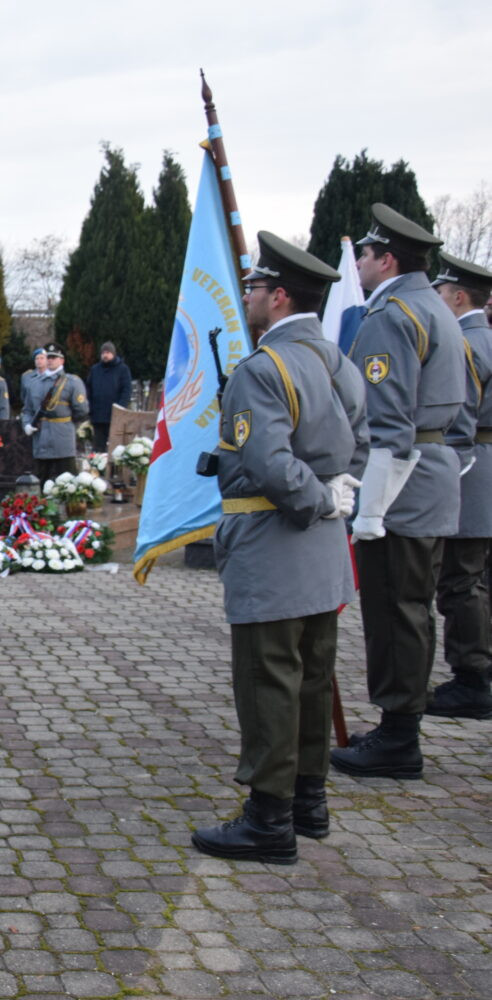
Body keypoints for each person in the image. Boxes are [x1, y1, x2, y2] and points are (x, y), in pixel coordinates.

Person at [191, 232, 367, 865]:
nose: (248, 297)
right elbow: (361, 445)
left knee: (268, 680)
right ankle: (308, 802)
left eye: (255, 288)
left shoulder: (264, 369)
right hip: (323, 551)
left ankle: (269, 820)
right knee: (313, 679)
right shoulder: (338, 361)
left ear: (281, 296)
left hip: (273, 544)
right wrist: (336, 496)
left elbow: (268, 464)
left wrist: (316, 498)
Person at [331, 204, 465, 780]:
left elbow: (387, 425)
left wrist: (370, 510)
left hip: (399, 489)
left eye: (364, 254)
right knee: (412, 609)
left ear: (386, 260)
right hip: (429, 479)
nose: (358, 263)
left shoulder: (392, 314)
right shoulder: (434, 307)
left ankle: (398, 739)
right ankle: (399, 727)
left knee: (395, 611)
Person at [426, 254, 492, 719]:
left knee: (460, 580)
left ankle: (471, 679)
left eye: (442, 293)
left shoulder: (467, 344)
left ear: (459, 297)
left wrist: (451, 471)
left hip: (474, 470)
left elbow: (458, 419)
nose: (437, 300)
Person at [22, 344, 90, 483]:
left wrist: (66, 423)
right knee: (41, 481)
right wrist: (27, 424)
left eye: (54, 357)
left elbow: (81, 410)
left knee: (67, 482)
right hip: (41, 439)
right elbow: (27, 409)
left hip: (62, 439)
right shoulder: (34, 383)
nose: (50, 360)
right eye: (48, 357)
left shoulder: (72, 382)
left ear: (62, 360)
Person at [88, 341, 133, 452]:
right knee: (98, 448)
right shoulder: (95, 370)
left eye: (108, 352)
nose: (105, 355)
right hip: (98, 416)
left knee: (116, 448)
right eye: (103, 353)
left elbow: (126, 390)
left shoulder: (122, 369)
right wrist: (90, 408)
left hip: (115, 415)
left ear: (113, 353)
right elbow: (89, 389)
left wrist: (120, 407)